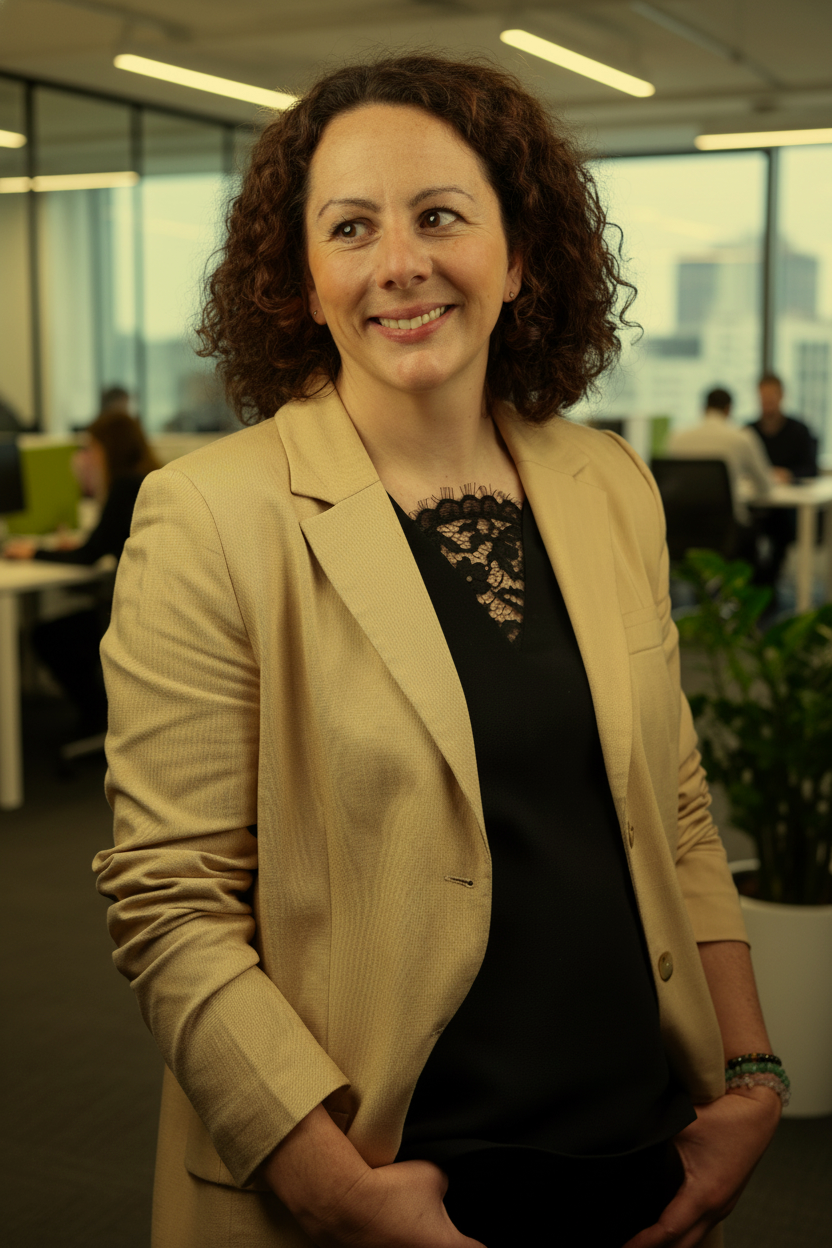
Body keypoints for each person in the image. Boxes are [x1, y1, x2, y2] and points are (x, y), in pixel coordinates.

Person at [92, 55, 783, 1248]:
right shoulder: (213, 516)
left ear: (519, 259)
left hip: (638, 1148)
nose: (399, 261)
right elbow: (172, 904)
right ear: (303, 282)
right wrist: (330, 1185)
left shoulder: (607, 483)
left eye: (440, 217)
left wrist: (749, 1076)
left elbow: (671, 807)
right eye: (350, 226)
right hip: (389, 1176)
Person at [4, 411, 158, 735]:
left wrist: (33, 551)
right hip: (151, 614)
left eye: (91, 448)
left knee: (45, 636)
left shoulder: (125, 486)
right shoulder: (146, 479)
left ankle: (98, 718)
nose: (85, 457)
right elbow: (103, 543)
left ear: (108, 449)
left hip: (128, 619)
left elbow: (89, 556)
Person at [666, 387, 773, 571]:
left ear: (704, 409)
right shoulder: (741, 437)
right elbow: (765, 486)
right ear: (728, 410)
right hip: (727, 532)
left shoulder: (676, 438)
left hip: (684, 529)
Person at [747, 373, 819, 589]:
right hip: (756, 501)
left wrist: (789, 475)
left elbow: (811, 468)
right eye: (763, 397)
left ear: (781, 396)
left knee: (781, 529)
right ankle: (759, 584)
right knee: (744, 531)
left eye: (771, 397)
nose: (767, 402)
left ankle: (767, 584)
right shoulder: (748, 431)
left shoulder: (799, 430)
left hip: (787, 506)